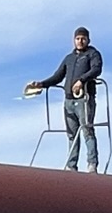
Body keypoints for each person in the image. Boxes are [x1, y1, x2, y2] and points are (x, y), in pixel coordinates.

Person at [30, 27, 104, 171]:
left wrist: (82, 80)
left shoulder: (92, 54)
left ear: (88, 40)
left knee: (87, 129)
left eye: (83, 38)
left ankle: (92, 164)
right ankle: (71, 166)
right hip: (68, 101)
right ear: (73, 40)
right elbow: (58, 76)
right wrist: (42, 84)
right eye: (77, 38)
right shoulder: (69, 58)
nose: (80, 41)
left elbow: (97, 69)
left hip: (85, 99)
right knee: (71, 134)